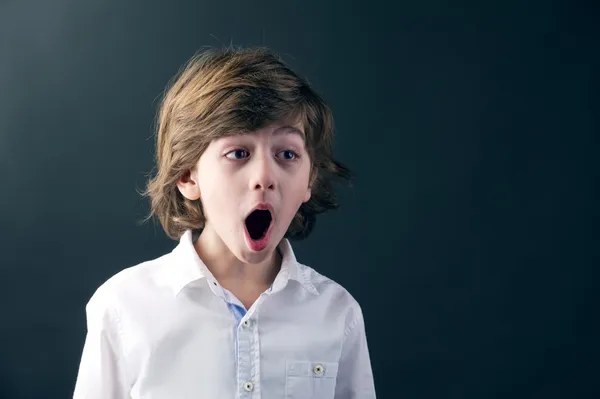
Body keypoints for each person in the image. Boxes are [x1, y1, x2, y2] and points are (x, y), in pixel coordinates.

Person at [73, 45, 376, 398]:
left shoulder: (337, 315)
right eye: (238, 153)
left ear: (309, 181)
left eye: (287, 154)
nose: (264, 176)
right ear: (188, 175)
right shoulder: (122, 308)